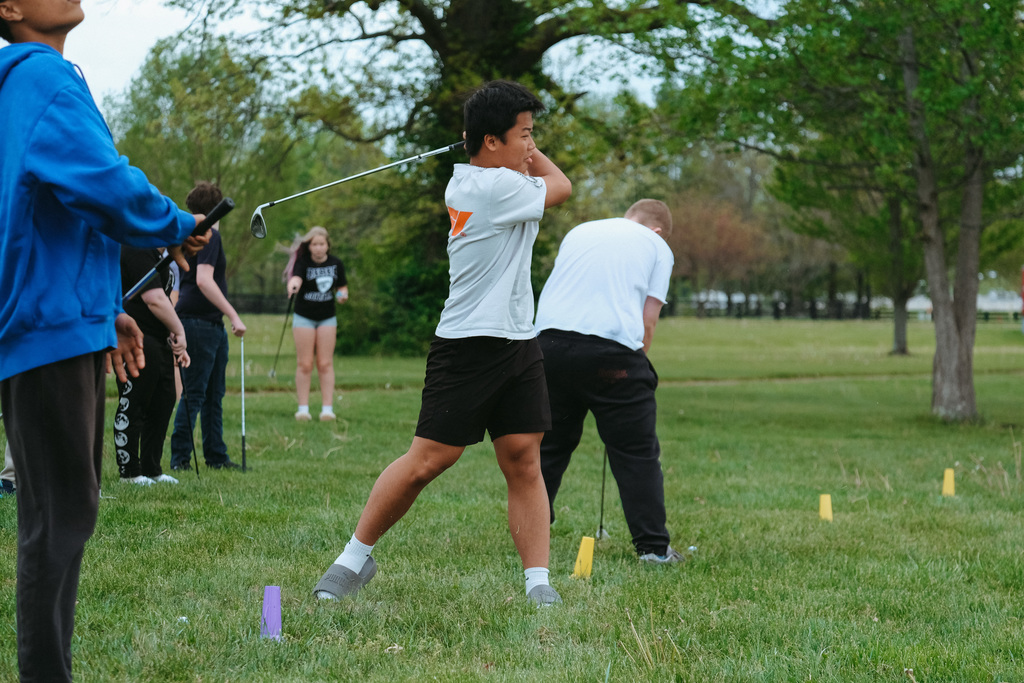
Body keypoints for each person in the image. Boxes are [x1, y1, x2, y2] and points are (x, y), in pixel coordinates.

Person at [0, 2, 209, 679]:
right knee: (56, 518)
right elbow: (106, 185)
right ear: (11, 8)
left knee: (61, 511)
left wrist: (104, 312)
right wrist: (175, 222)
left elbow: (58, 211)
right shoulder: (42, 78)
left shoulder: (28, 86)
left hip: (58, 321)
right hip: (46, 332)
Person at [312, 80, 572, 607]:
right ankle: (352, 559)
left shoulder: (483, 178)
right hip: (468, 345)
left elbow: (536, 174)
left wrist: (512, 144)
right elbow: (561, 185)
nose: (531, 144)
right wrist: (528, 156)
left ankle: (538, 582)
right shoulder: (491, 189)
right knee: (428, 460)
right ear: (490, 142)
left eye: (533, 134)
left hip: (518, 341)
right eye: (525, 134)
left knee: (524, 459)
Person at [534, 199, 683, 563]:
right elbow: (648, 320)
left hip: (547, 346)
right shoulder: (657, 246)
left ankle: (533, 531)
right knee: (635, 452)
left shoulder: (581, 230)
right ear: (658, 230)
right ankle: (652, 548)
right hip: (611, 355)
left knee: (548, 447)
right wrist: (639, 363)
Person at [169, 181, 246, 471]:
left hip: (210, 324)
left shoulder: (193, 234)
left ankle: (216, 455)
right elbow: (203, 279)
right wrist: (234, 315)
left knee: (214, 393)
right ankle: (180, 458)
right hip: (199, 323)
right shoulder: (209, 235)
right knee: (196, 393)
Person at [113, 246, 191, 485]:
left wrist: (173, 334)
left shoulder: (160, 255)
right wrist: (180, 329)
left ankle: (151, 468)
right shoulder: (137, 249)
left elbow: (164, 297)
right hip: (135, 336)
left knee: (163, 400)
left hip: (159, 338)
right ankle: (130, 471)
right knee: (135, 402)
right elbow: (153, 299)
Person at [284, 226, 349, 422]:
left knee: (325, 363)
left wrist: (343, 295)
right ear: (309, 246)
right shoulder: (303, 262)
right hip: (304, 316)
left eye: (322, 244)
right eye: (314, 244)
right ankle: (303, 409)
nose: (318, 248)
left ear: (327, 245)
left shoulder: (336, 263)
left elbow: (342, 287)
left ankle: (327, 410)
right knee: (305, 363)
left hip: (327, 317)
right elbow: (295, 278)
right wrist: (293, 286)